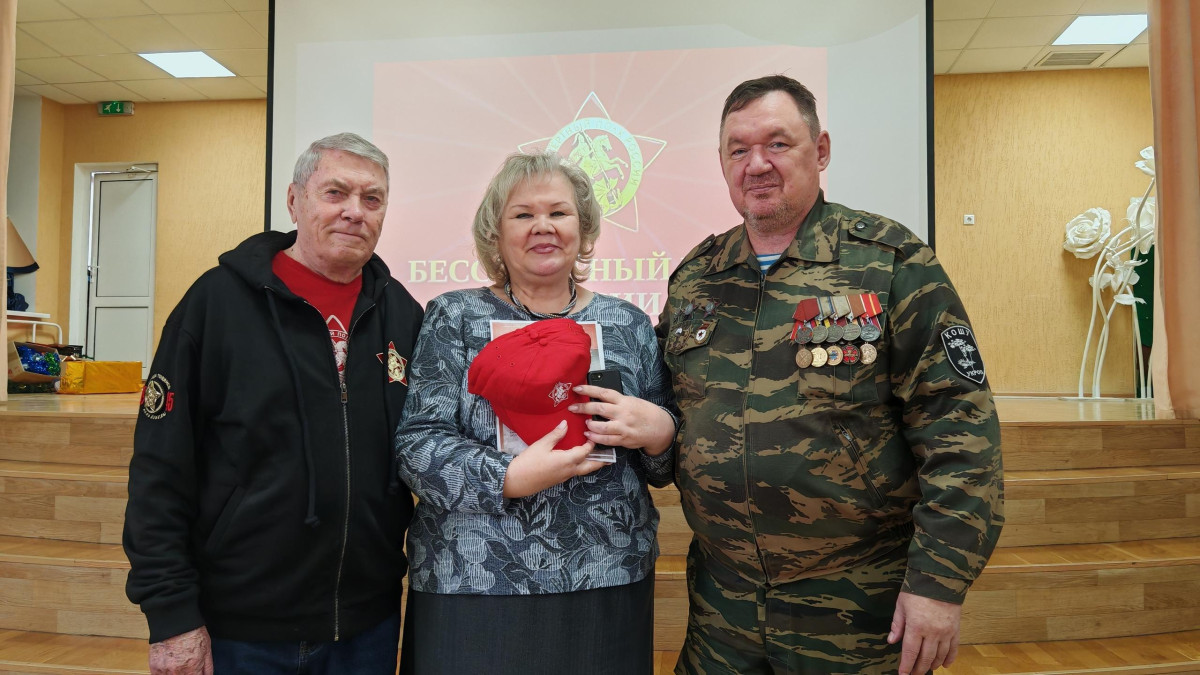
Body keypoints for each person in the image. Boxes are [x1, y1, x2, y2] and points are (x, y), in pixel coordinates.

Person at [658, 75, 1004, 675]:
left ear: (820, 151)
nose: (756, 164)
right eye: (738, 150)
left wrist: (939, 583)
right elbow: (672, 412)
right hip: (723, 606)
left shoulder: (890, 263)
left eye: (777, 144)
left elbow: (961, 431)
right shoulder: (697, 277)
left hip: (857, 608)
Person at [123, 132, 424, 674]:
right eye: (335, 193)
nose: (355, 211)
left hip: (368, 628)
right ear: (294, 199)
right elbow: (160, 467)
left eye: (372, 198)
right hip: (243, 630)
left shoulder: (402, 314)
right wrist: (171, 615)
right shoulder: (215, 305)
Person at [395, 152, 677, 675]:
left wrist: (662, 433)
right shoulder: (454, 317)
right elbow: (418, 444)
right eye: (523, 214)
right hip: (474, 579)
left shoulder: (628, 324)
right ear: (495, 234)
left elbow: (660, 468)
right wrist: (509, 477)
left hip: (606, 577)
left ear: (583, 228)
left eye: (558, 213)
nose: (542, 226)